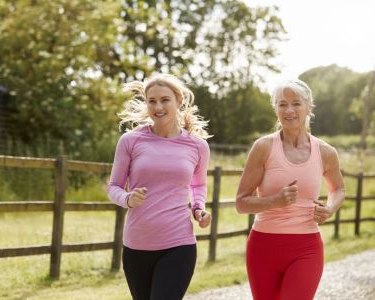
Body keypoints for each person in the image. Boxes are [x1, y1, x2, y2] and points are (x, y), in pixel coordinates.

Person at [236, 79, 345, 300]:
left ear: (309, 107)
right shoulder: (263, 147)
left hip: (306, 248)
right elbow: (241, 202)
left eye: (296, 103)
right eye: (282, 104)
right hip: (263, 247)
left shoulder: (325, 152)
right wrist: (273, 201)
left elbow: (339, 189)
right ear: (275, 109)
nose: (289, 110)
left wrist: (330, 208)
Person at [107, 73, 212, 300]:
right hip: (137, 244)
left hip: (178, 243)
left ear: (179, 101)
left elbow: (198, 184)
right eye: (151, 101)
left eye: (165, 100)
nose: (158, 106)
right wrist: (127, 198)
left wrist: (198, 209)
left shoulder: (197, 146)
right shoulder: (130, 141)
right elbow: (114, 186)